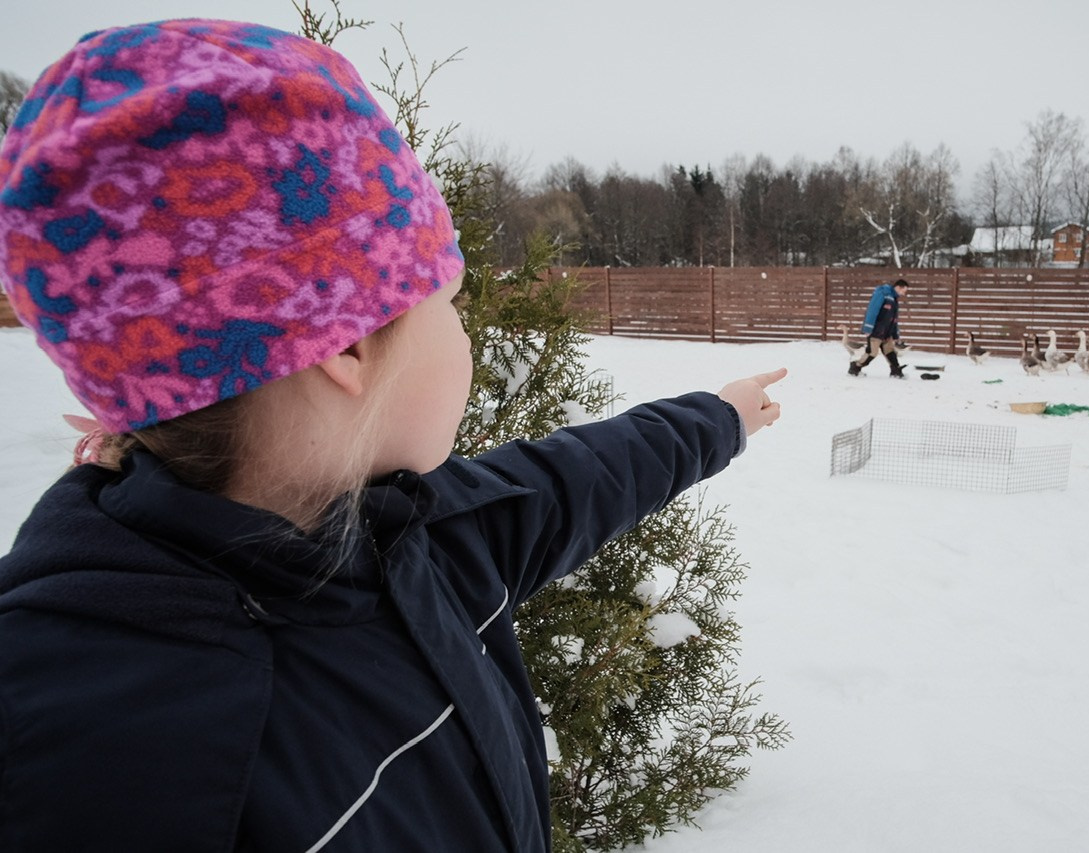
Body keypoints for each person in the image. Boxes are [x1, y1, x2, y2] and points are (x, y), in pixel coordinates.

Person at [0, 20, 785, 852]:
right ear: (343, 345)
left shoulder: (421, 536)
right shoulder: (100, 760)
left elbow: (583, 476)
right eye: (448, 301)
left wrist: (721, 416)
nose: (465, 332)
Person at [847, 278, 910, 378]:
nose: (904, 294)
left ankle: (896, 371)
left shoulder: (894, 299)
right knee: (872, 353)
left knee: (889, 351)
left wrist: (895, 334)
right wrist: (868, 328)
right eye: (904, 291)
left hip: (887, 332)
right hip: (876, 330)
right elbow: (872, 310)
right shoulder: (882, 293)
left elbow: (894, 319)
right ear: (898, 287)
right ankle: (855, 367)